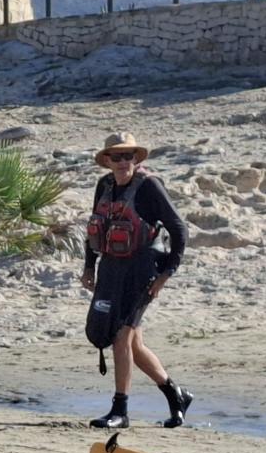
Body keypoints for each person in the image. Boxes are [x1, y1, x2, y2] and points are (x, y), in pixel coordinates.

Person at [81, 132, 193, 429]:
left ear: (136, 159)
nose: (122, 162)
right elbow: (95, 226)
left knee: (122, 337)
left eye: (127, 156)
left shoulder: (149, 188)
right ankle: (176, 395)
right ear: (107, 161)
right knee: (134, 344)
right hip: (112, 269)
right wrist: (89, 267)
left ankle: (121, 410)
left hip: (143, 270)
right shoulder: (104, 186)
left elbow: (180, 231)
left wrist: (165, 276)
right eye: (115, 157)